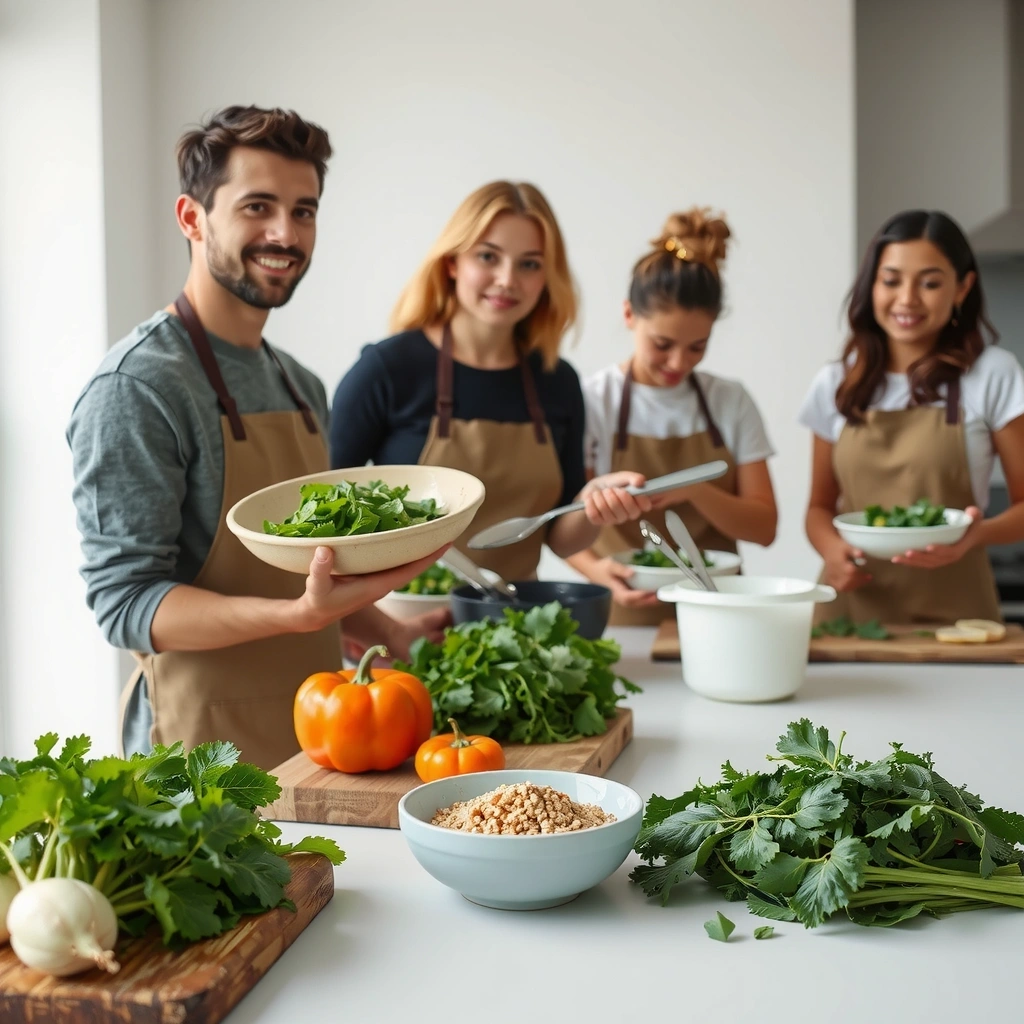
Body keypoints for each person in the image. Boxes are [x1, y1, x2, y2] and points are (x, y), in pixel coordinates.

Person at [67, 106, 448, 770]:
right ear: (193, 218)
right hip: (198, 771)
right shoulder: (138, 388)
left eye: (304, 211)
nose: (285, 232)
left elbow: (306, 578)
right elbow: (126, 603)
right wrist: (296, 617)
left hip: (324, 747)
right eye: (257, 206)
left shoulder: (300, 385)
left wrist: (390, 632)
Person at [329, 180, 653, 581]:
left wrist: (592, 505)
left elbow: (561, 539)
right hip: (405, 626)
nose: (507, 279)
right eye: (488, 257)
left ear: (547, 278)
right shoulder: (386, 370)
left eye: (529, 264)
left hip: (515, 623)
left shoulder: (557, 381)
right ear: (452, 263)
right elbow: (325, 515)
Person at [799, 209, 1024, 624]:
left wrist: (977, 535)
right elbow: (818, 508)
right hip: (851, 614)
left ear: (963, 287)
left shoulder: (993, 373)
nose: (907, 299)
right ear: (872, 285)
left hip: (959, 615)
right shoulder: (836, 382)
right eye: (891, 280)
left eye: (930, 283)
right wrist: (832, 551)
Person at [567, 208, 777, 625]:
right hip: (627, 615)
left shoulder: (730, 401)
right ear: (629, 315)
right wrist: (596, 572)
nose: (679, 362)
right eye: (662, 344)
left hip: (721, 612)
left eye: (697, 346)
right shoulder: (594, 400)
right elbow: (566, 523)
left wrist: (694, 490)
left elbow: (764, 528)